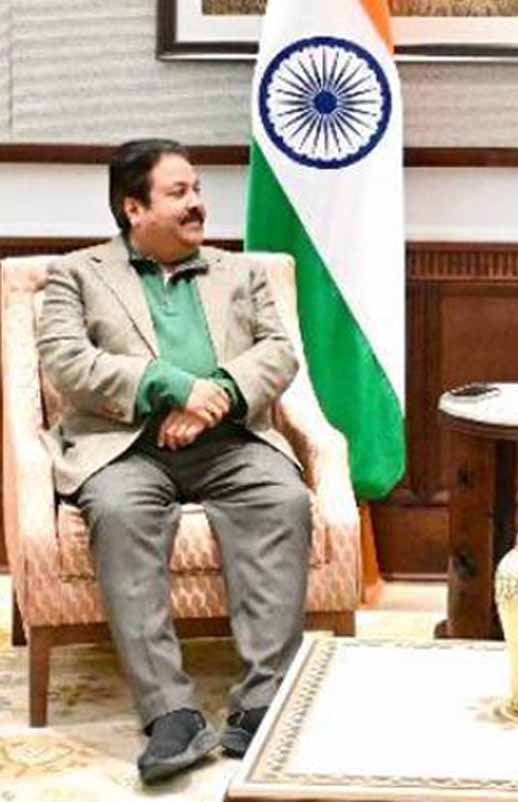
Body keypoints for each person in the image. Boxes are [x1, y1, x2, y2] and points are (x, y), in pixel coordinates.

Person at [37, 139, 313, 784]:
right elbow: (67, 363)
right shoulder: (76, 274)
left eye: (197, 190)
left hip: (230, 442)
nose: (197, 204)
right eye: (178, 192)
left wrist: (213, 397)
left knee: (282, 499)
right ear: (133, 208)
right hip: (124, 447)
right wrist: (169, 385)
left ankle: (262, 699)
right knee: (120, 515)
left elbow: (279, 353)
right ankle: (171, 715)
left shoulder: (240, 272)